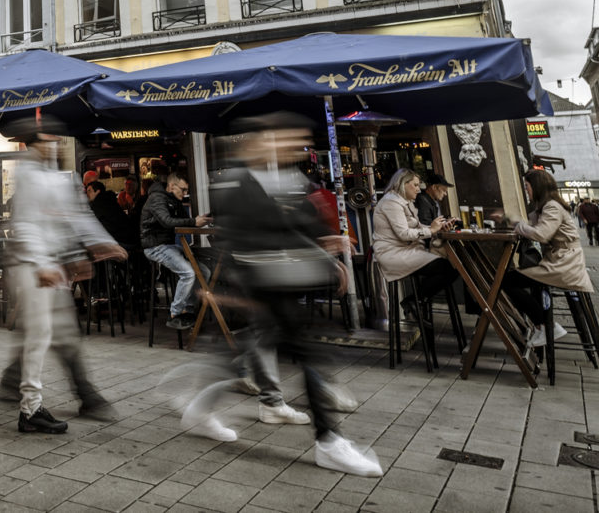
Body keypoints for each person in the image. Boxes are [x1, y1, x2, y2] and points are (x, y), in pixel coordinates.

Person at [175, 115, 380, 476]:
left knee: (252, 348)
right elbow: (238, 238)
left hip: (285, 280)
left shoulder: (289, 178)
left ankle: (202, 408)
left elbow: (301, 225)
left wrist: (324, 248)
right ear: (261, 140)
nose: (292, 147)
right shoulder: (235, 182)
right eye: (285, 140)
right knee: (306, 351)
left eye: (297, 141)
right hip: (263, 281)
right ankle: (329, 439)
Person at [4, 116, 126, 434]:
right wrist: (44, 263)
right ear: (37, 142)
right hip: (35, 267)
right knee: (41, 335)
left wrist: (100, 245)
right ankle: (31, 408)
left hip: (51, 267)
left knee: (45, 334)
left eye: (57, 140)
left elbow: (75, 216)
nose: (56, 145)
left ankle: (24, 397)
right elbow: (28, 223)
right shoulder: (29, 174)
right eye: (50, 140)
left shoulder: (55, 176)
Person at [491, 169, 590, 347]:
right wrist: (509, 219)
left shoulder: (552, 206)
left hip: (564, 265)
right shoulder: (546, 207)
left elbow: (541, 234)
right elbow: (532, 227)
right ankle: (541, 326)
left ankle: (545, 326)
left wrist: (517, 224)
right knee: (515, 280)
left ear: (536, 187)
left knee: (505, 281)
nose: (526, 190)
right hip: (560, 262)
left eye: (527, 186)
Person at [372, 168, 458, 313]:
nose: (419, 190)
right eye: (416, 185)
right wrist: (431, 230)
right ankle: (415, 301)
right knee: (448, 268)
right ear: (402, 183)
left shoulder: (405, 202)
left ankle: (417, 301)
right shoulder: (391, 203)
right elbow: (404, 234)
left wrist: (439, 228)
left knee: (452, 266)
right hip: (393, 254)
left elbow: (419, 227)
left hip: (407, 251)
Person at [142, 172, 208, 330]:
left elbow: (184, 220)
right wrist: (194, 221)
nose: (185, 194)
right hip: (155, 246)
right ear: (171, 186)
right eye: (183, 190)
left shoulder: (173, 200)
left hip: (169, 246)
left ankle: (188, 309)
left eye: (186, 191)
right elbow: (167, 222)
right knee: (188, 273)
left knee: (203, 272)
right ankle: (175, 313)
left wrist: (200, 220)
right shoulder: (157, 198)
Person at [84, 173, 126, 242]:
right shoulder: (109, 200)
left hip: (119, 241)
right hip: (123, 238)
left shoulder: (99, 204)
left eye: (89, 191)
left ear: (97, 192)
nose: (87, 194)